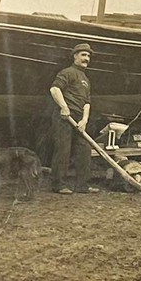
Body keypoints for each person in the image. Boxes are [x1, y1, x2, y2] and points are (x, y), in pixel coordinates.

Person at [50, 44, 96, 194]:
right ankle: (59, 184)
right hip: (64, 117)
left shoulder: (86, 79)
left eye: (88, 56)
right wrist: (64, 107)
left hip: (79, 119)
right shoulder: (68, 72)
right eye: (83, 55)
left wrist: (85, 120)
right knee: (63, 149)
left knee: (85, 149)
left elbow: (87, 102)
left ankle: (82, 185)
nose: (86, 59)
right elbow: (55, 89)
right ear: (75, 56)